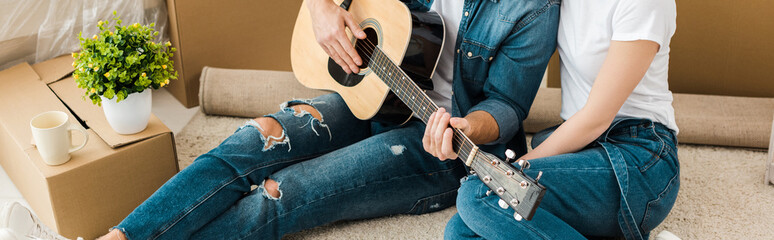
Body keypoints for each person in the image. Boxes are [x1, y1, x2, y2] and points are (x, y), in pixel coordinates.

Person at [0, 0, 559, 239]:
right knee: (248, 144)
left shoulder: (534, 6)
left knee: (281, 193)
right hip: (372, 94)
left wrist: (468, 130)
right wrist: (321, 11)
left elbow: (507, 109)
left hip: (436, 143)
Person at [444, 0, 680, 239]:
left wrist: (513, 172)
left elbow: (596, 118)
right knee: (462, 231)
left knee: (479, 195)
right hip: (581, 153)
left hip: (639, 158)